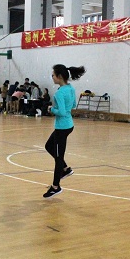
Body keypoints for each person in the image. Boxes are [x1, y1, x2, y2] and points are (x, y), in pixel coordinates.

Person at [43, 64, 86, 198]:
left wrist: (51, 109)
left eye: (53, 75)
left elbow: (61, 112)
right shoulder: (70, 88)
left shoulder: (59, 93)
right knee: (49, 146)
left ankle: (55, 187)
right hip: (68, 125)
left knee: (58, 157)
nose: (52, 77)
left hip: (62, 127)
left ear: (59, 76)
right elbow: (73, 105)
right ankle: (65, 169)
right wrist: (63, 108)